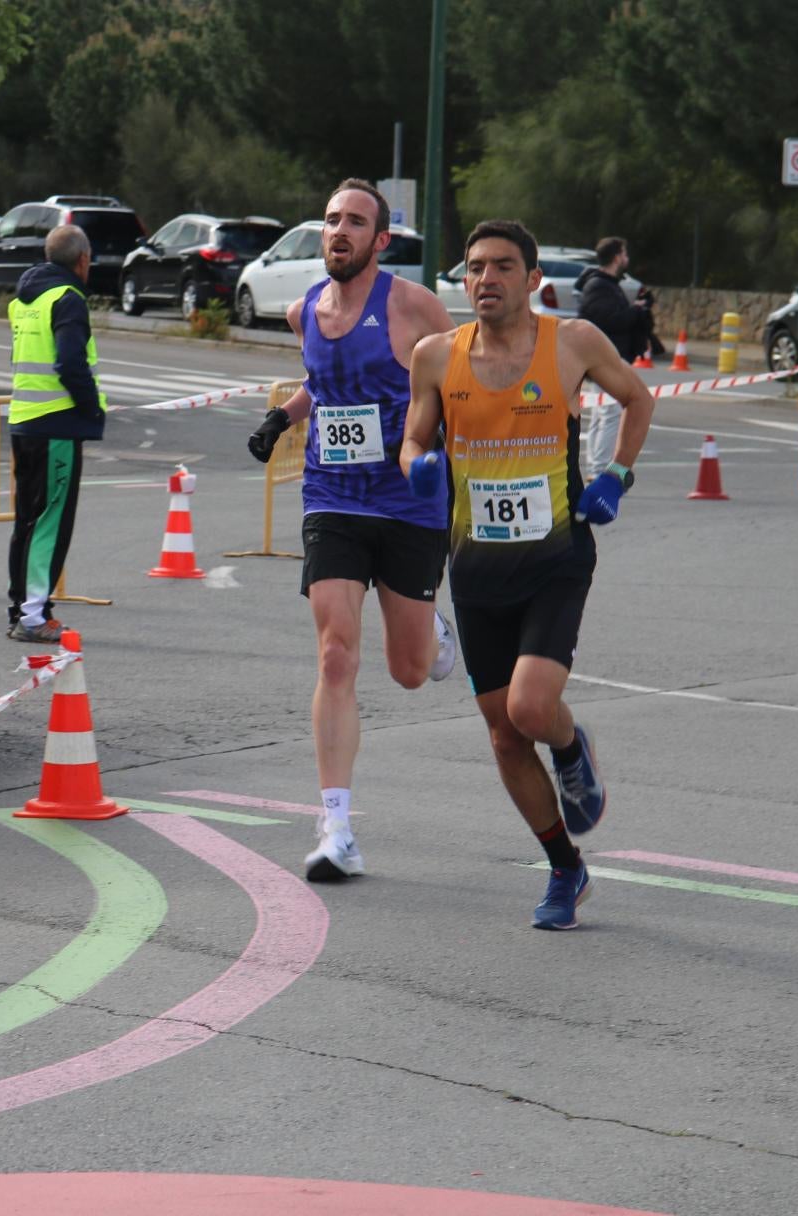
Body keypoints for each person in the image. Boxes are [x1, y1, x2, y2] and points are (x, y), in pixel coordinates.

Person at [401, 219, 655, 930]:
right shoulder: (433, 356)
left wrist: (618, 476)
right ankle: (565, 868)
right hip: (476, 568)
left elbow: (639, 399)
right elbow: (415, 435)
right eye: (476, 267)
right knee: (505, 737)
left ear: (533, 279)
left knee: (530, 710)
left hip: (555, 560)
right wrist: (417, 468)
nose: (486, 279)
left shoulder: (571, 343)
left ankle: (573, 750)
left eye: (503, 266)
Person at [244, 178, 459, 885]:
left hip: (408, 504)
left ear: (380, 239)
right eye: (332, 219)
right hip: (332, 498)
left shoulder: (412, 306)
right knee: (336, 653)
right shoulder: (305, 311)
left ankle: (436, 637)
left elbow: (457, 385)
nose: (338, 230)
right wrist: (284, 418)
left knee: (410, 670)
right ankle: (336, 827)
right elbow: (321, 382)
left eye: (354, 222)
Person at [5, 224, 106, 643]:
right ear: (82, 261)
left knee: (27, 521)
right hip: (57, 425)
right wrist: (92, 409)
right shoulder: (67, 299)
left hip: (25, 420)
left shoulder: (22, 299)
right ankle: (32, 615)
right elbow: (69, 363)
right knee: (50, 522)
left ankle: (22, 607)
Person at [573, 237, 659, 480]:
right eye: (624, 254)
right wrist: (636, 310)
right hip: (602, 359)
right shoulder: (599, 285)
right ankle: (599, 469)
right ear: (616, 257)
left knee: (603, 413)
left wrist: (636, 307)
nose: (627, 259)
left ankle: (595, 467)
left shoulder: (606, 284)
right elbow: (608, 319)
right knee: (609, 412)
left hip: (607, 357)